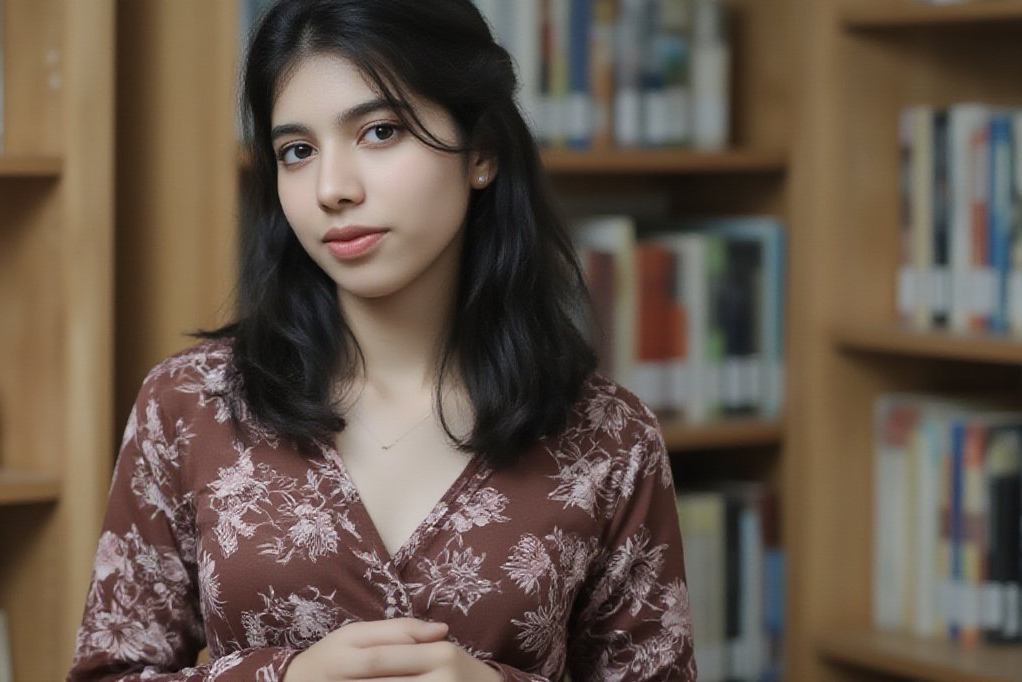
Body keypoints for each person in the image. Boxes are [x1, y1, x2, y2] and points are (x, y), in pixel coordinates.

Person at [68, 1, 693, 680]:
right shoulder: (190, 406)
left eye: (380, 131)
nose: (332, 189)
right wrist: (285, 679)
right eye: (297, 151)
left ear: (480, 152)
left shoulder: (610, 437)